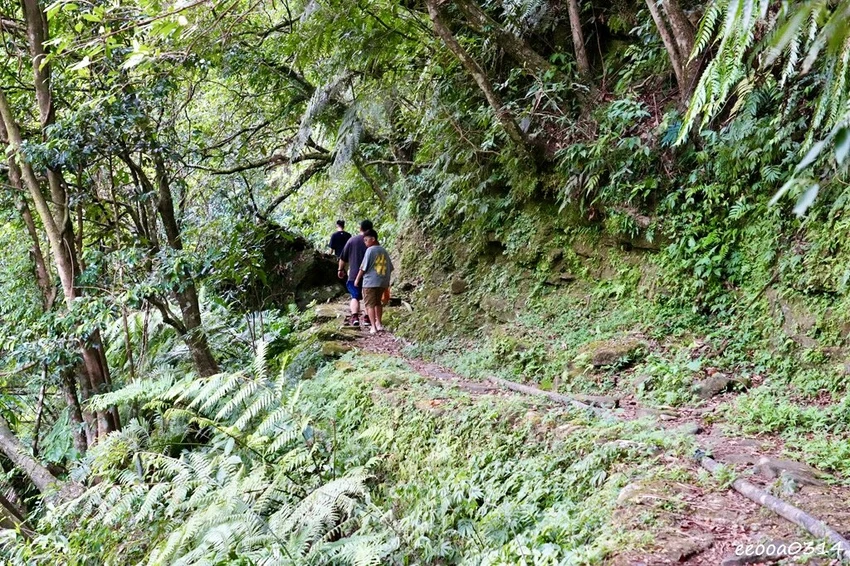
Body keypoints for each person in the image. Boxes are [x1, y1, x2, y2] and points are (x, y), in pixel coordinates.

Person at [354, 229, 393, 334]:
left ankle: (373, 326)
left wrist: (357, 279)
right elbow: (390, 267)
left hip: (370, 282)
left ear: (373, 239)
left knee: (369, 305)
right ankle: (379, 323)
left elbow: (363, 267)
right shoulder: (384, 251)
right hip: (382, 282)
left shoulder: (370, 250)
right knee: (378, 302)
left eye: (366, 240)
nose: (365, 242)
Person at [338, 220, 373, 326]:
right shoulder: (372, 241)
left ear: (360, 228)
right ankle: (367, 318)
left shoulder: (352, 240)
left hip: (354, 274)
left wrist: (340, 270)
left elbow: (343, 258)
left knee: (355, 296)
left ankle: (355, 317)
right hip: (369, 275)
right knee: (368, 297)